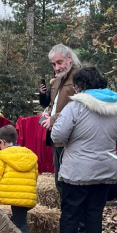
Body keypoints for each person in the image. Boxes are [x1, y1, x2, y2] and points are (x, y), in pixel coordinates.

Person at [49, 67, 117, 233]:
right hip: (105, 169)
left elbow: (57, 135)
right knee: (94, 213)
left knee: (70, 213)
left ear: (80, 86)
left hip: (77, 170)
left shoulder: (75, 107)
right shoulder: (116, 108)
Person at [39, 44, 81, 187]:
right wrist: (48, 112)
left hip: (72, 138)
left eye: (59, 62)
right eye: (53, 64)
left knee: (70, 182)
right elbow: (55, 103)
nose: (57, 68)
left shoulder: (79, 78)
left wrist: (54, 118)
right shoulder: (57, 80)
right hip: (57, 136)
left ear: (69, 58)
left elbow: (79, 107)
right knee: (60, 181)